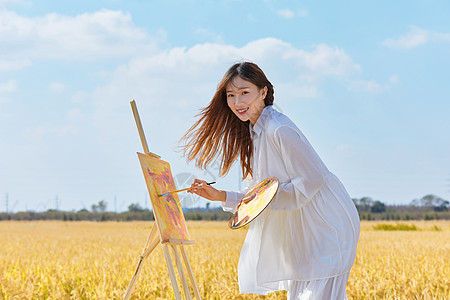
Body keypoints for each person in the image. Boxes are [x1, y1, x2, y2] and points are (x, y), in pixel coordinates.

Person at [181, 62, 360, 299]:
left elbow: (312, 179)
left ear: (263, 92)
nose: (237, 102)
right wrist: (220, 196)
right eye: (231, 95)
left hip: (325, 225)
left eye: (245, 93)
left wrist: (268, 198)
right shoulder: (254, 133)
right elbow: (259, 194)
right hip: (302, 232)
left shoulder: (278, 129)